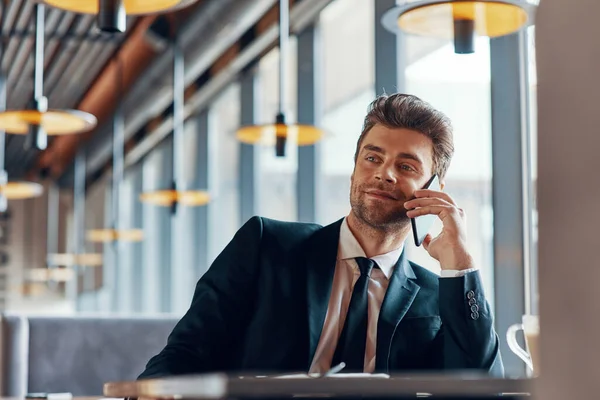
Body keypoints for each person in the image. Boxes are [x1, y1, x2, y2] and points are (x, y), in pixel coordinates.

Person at [138, 93, 503, 379]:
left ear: (432, 187)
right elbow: (186, 353)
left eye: (405, 166)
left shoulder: (438, 298)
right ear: (354, 169)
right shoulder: (267, 246)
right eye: (372, 158)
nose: (384, 174)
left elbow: (479, 387)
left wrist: (462, 263)